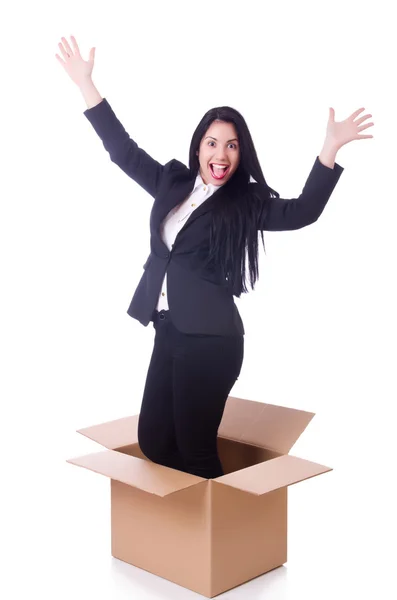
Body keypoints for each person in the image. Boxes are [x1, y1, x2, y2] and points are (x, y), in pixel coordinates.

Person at [56, 35, 374, 480]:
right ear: (199, 147)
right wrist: (86, 87)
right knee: (153, 440)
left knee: (195, 448)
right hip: (168, 328)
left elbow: (303, 212)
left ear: (240, 153)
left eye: (231, 145)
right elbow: (122, 151)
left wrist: (329, 149)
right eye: (212, 143)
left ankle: (218, 540)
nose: (220, 154)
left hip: (211, 342)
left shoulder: (244, 204)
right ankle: (184, 525)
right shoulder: (172, 183)